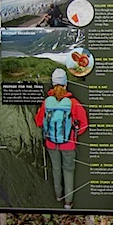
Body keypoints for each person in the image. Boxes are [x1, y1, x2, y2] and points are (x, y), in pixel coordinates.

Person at [34, 68, 88, 209]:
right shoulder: (73, 103)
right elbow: (84, 124)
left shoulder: (46, 102)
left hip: (51, 143)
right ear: (66, 84)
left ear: (53, 84)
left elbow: (38, 122)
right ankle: (68, 202)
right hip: (68, 144)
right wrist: (74, 134)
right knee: (68, 171)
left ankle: (58, 196)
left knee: (56, 169)